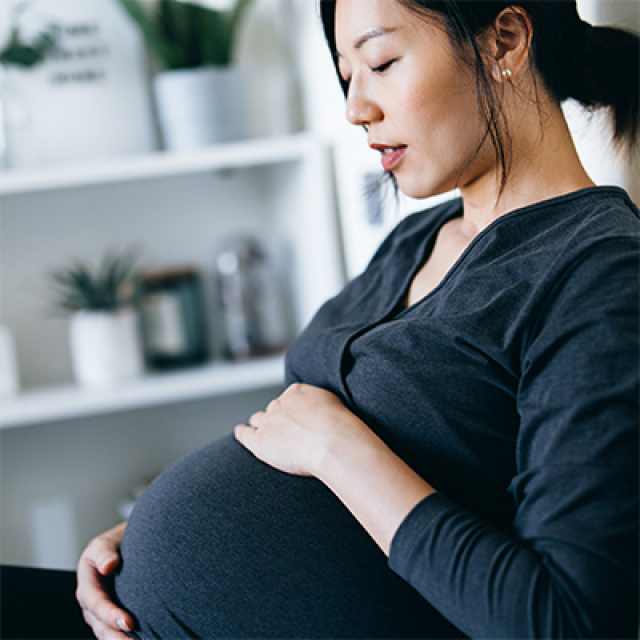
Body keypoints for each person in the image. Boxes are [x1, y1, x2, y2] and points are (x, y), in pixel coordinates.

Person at [68, 0, 639, 637]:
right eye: (348, 75)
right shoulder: (419, 238)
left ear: (505, 41)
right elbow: (300, 459)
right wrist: (136, 541)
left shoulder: (599, 273)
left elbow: (569, 621)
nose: (354, 107)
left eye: (382, 61)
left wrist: (341, 454)